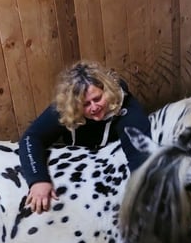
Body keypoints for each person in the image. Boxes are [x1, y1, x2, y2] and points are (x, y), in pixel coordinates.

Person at [19, 60, 152, 213]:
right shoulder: (67, 107)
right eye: (86, 104)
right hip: (74, 169)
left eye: (97, 98)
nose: (94, 107)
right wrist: (38, 180)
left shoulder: (128, 110)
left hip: (110, 174)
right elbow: (31, 137)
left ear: (107, 92)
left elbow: (141, 157)